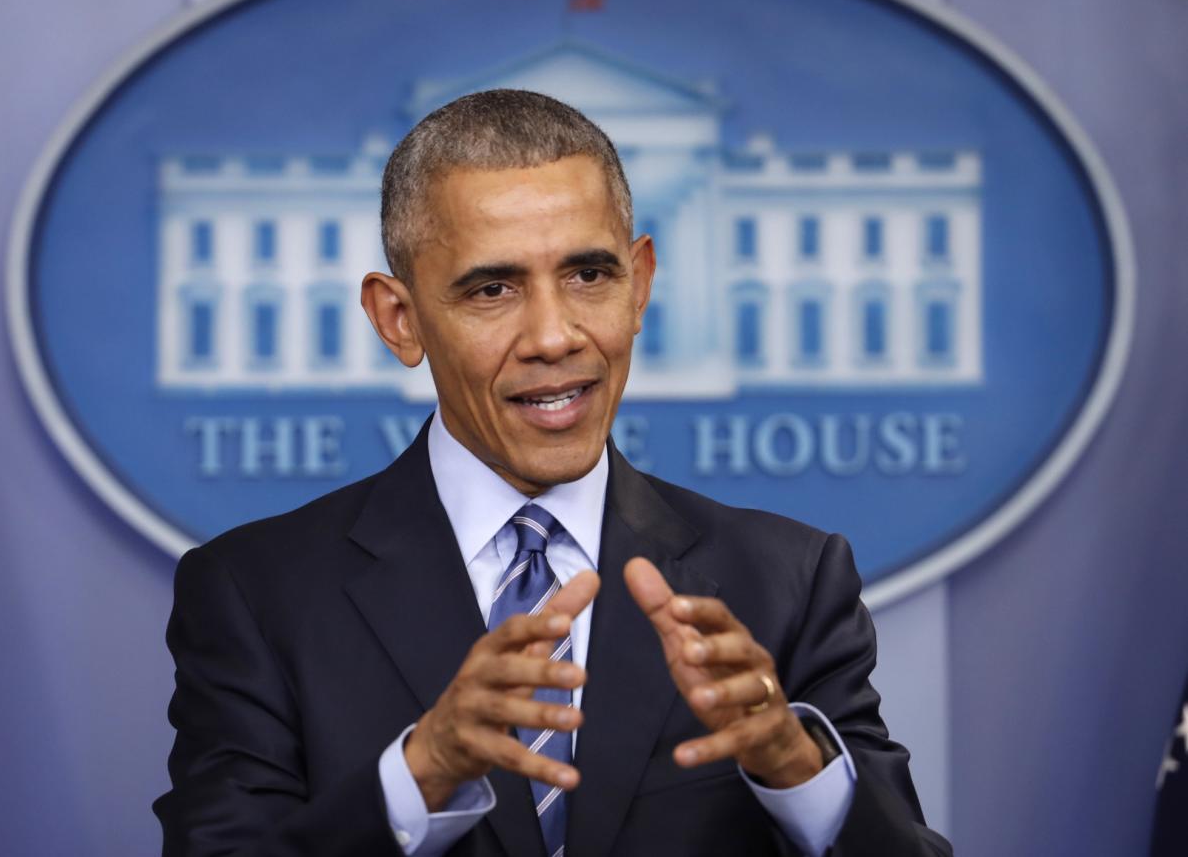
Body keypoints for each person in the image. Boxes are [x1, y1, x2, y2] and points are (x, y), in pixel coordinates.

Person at [154, 89, 952, 857]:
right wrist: (422, 770)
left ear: (639, 284)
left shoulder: (787, 581)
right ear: (399, 319)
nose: (554, 335)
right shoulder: (254, 593)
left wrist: (794, 765)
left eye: (589, 276)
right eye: (493, 288)